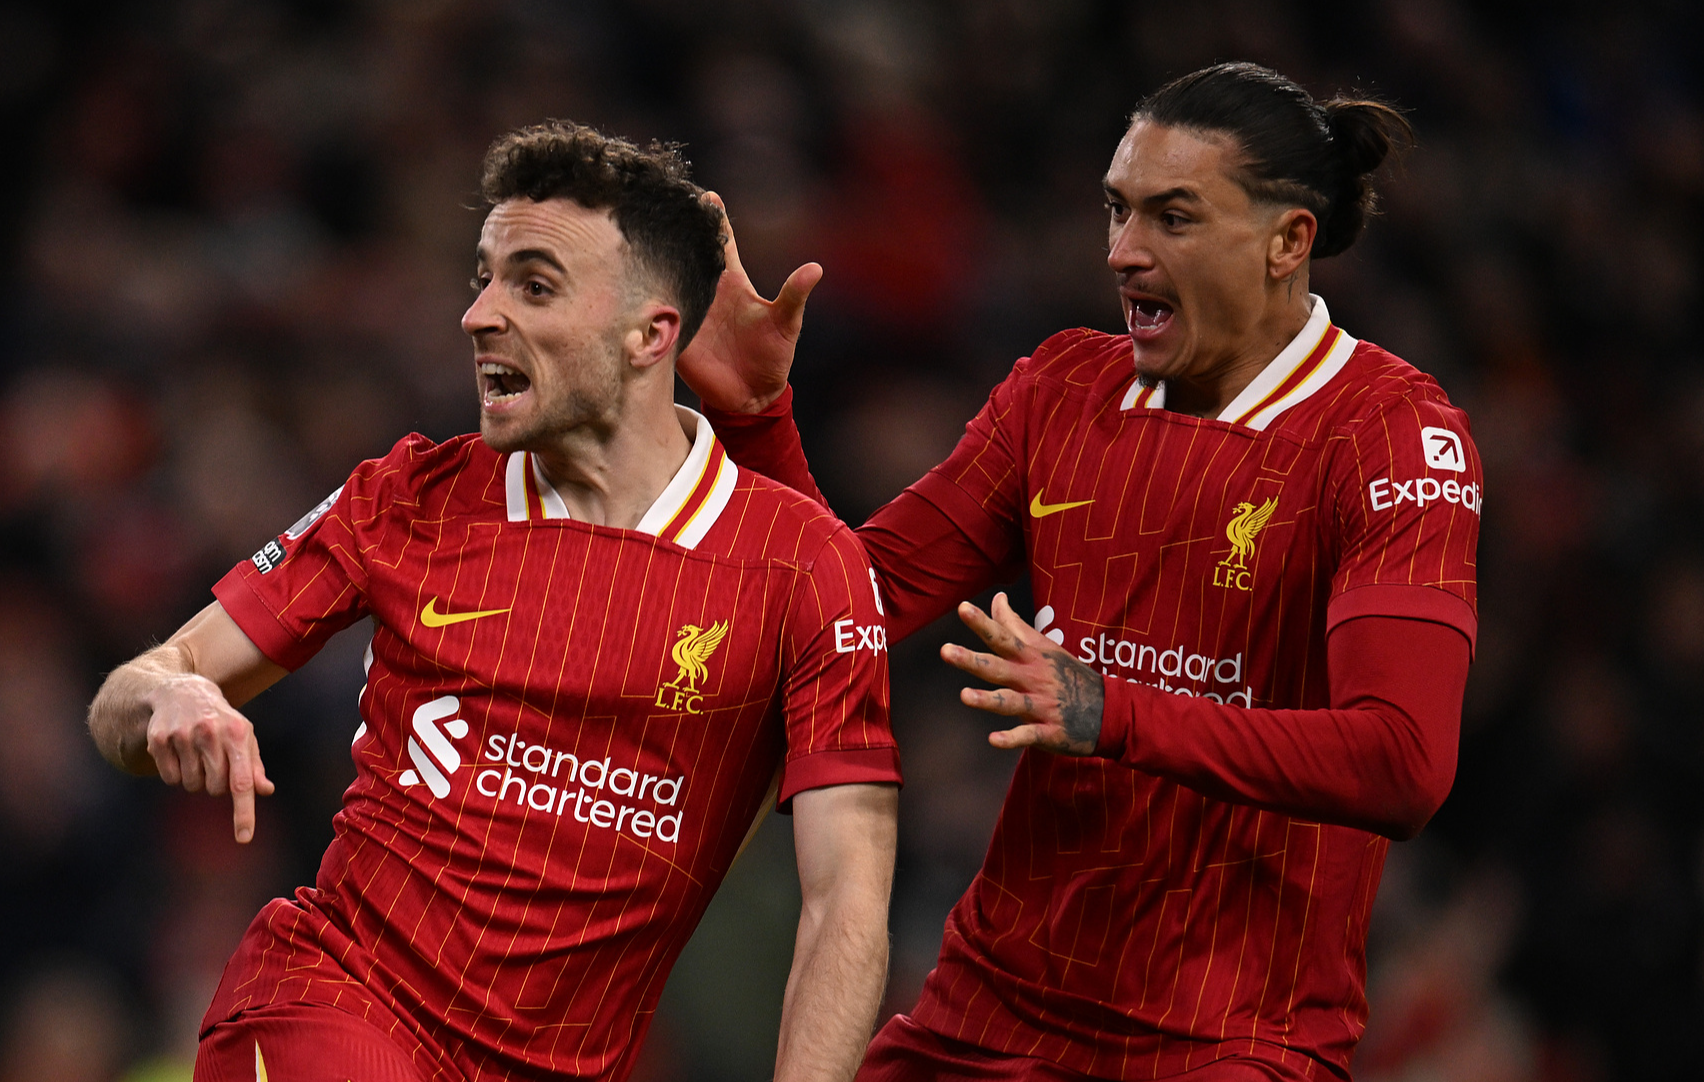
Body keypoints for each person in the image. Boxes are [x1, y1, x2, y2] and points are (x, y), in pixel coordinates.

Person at [679, 63, 1480, 1081]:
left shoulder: (1394, 436)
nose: (1125, 251)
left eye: (1174, 218)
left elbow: (1404, 761)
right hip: (993, 1006)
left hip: (1223, 1039)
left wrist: (1113, 710)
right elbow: (852, 604)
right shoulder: (1064, 387)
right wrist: (757, 421)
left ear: (1289, 242)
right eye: (1119, 209)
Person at [87, 121, 901, 1082]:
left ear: (651, 334)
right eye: (483, 276)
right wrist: (167, 694)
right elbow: (127, 699)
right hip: (336, 1004)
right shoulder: (404, 498)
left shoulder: (804, 566)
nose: (479, 313)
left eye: (534, 284)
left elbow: (845, 897)